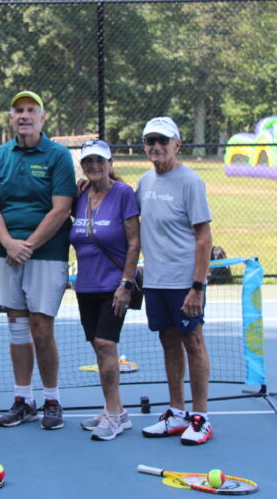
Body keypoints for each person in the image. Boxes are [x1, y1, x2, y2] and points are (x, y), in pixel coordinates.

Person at [0, 90, 76, 430]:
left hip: (46, 254)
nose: (24, 115)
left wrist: (29, 246)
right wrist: (9, 243)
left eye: (31, 110)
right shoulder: (0, 156)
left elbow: (62, 208)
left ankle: (52, 399)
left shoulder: (58, 155)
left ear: (42, 117)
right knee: (18, 327)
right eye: (19, 110)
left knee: (41, 327)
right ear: (11, 118)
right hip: (4, 253)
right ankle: (23, 399)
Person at [136, 116, 214, 445]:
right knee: (168, 342)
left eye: (163, 141)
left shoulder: (190, 181)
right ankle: (177, 412)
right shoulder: (143, 182)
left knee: (193, 343)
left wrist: (197, 286)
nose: (156, 146)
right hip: (155, 282)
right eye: (150, 141)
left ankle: (201, 417)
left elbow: (204, 237)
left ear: (177, 145)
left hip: (185, 283)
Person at [69, 139, 140, 441]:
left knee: (105, 343)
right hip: (85, 285)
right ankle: (117, 411)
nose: (94, 166)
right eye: (89, 161)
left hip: (114, 286)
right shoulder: (80, 195)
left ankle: (112, 416)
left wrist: (126, 283)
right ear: (83, 166)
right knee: (98, 346)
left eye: (100, 160)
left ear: (111, 164)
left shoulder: (123, 193)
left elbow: (134, 242)